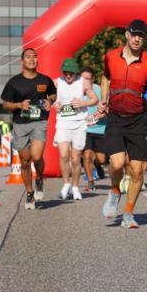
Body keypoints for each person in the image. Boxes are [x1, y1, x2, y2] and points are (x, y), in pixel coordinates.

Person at [99, 19, 147, 228]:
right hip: (116, 118)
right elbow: (105, 78)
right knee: (117, 164)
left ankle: (128, 213)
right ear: (127, 35)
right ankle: (115, 190)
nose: (137, 39)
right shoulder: (111, 56)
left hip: (138, 120)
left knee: (138, 170)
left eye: (142, 36)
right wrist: (103, 99)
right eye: (134, 34)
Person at [1, 48, 56, 209]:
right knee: (25, 161)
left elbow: (53, 94)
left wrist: (50, 102)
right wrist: (19, 105)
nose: (32, 59)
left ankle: (39, 178)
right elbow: (5, 104)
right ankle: (30, 192)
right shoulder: (14, 82)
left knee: (37, 156)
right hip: (20, 123)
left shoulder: (45, 80)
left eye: (35, 57)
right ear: (22, 61)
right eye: (28, 57)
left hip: (39, 122)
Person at [53, 57, 97, 200]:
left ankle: (76, 187)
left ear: (76, 72)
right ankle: (66, 184)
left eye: (71, 73)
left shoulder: (82, 83)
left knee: (76, 158)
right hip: (63, 123)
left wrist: (82, 102)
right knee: (64, 155)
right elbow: (48, 97)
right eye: (65, 72)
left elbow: (94, 99)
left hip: (78, 123)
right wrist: (54, 103)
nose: (68, 75)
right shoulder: (56, 82)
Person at [81, 67, 107, 192]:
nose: (85, 81)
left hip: (101, 128)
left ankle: (98, 165)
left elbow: (108, 107)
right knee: (87, 155)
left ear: (92, 79)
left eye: (87, 79)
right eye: (82, 78)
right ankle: (90, 181)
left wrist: (102, 114)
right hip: (84, 130)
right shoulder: (77, 91)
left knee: (101, 159)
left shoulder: (100, 90)